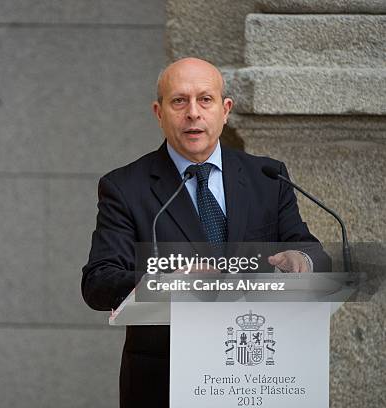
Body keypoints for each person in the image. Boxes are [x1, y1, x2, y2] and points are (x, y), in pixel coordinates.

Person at [81, 57, 331, 408]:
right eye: (179, 101)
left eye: (205, 99)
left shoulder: (268, 177)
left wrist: (302, 259)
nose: (193, 113)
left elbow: (313, 251)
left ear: (225, 110)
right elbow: (98, 282)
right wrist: (167, 282)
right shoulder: (125, 187)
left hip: (259, 376)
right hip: (164, 383)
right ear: (159, 112)